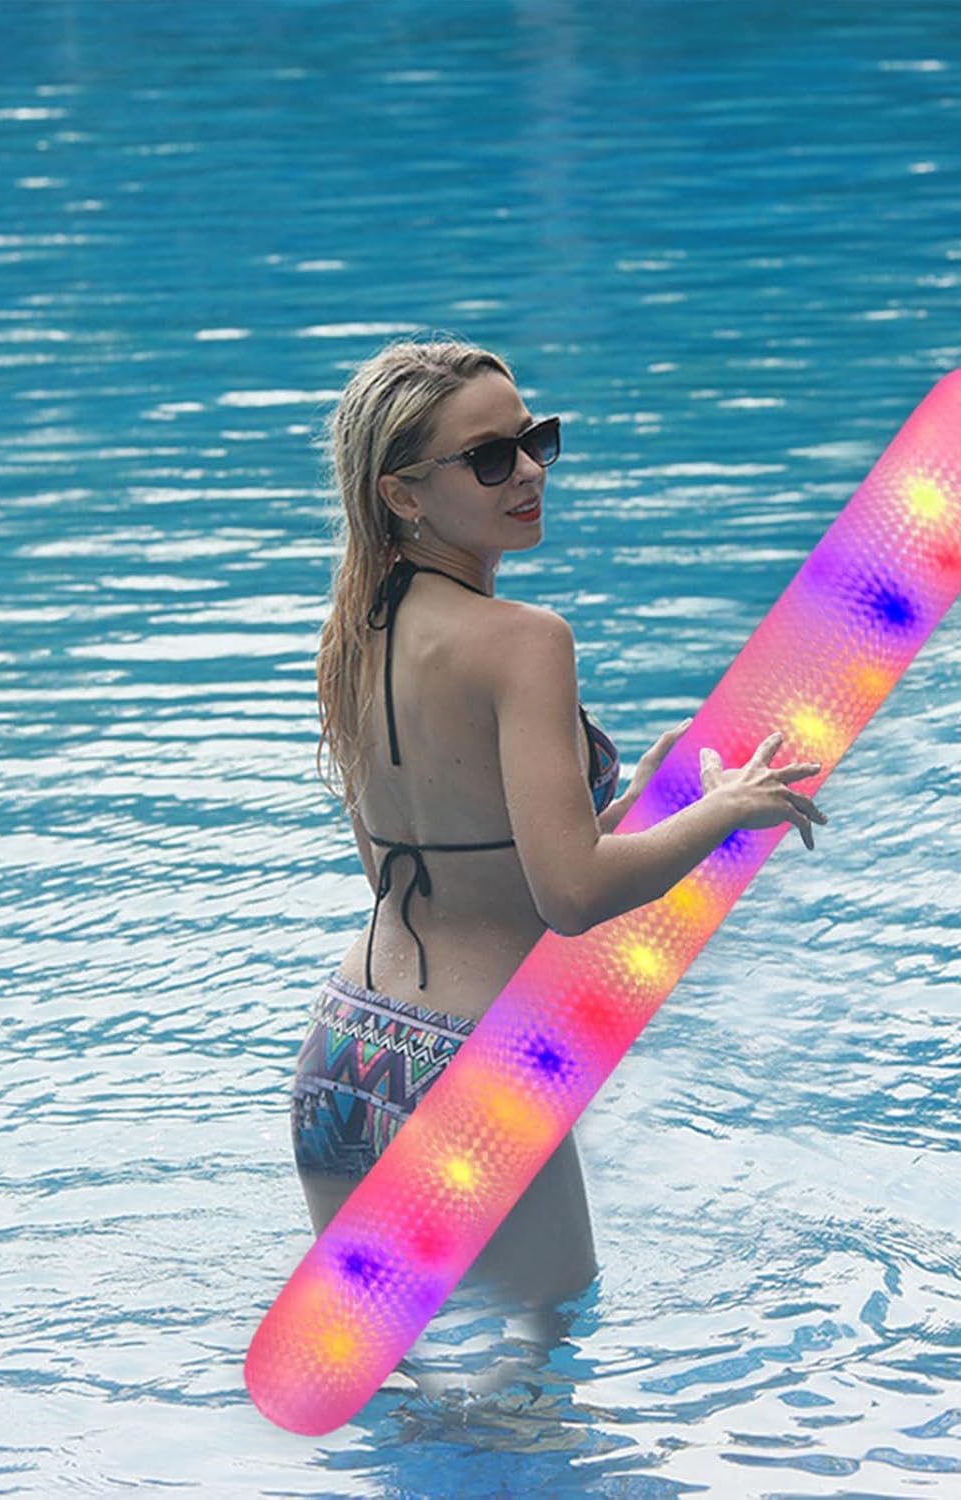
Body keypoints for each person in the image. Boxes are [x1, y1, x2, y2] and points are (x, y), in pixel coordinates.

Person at [291, 337, 827, 1366]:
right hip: (473, 1072)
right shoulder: (526, 639)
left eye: (534, 441)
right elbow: (568, 897)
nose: (529, 473)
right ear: (403, 494)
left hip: (348, 1049)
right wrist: (725, 813)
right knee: (543, 1379)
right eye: (490, 459)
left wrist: (625, 812)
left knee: (384, 1376)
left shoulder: (351, 633)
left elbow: (424, 875)